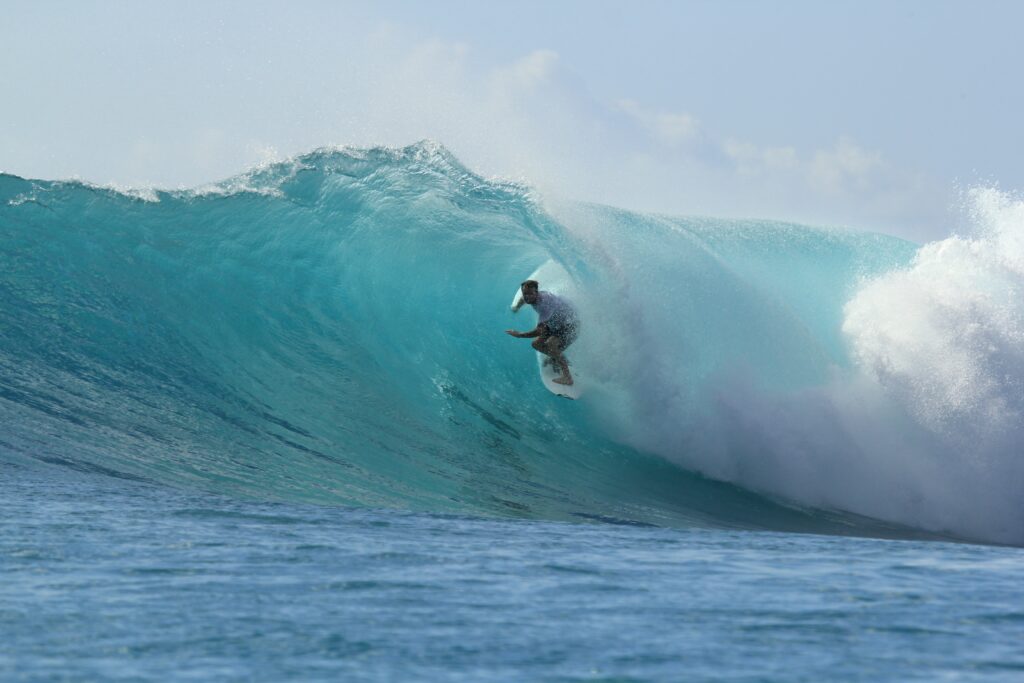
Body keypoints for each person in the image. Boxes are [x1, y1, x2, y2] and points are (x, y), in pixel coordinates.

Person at [506, 280, 579, 386]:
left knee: (551, 344)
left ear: (536, 292)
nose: (527, 297)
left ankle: (567, 377)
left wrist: (519, 335)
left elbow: (539, 331)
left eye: (530, 294)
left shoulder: (543, 305)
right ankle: (556, 358)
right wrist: (517, 307)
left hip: (571, 325)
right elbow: (524, 299)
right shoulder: (531, 296)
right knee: (536, 344)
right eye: (525, 293)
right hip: (556, 323)